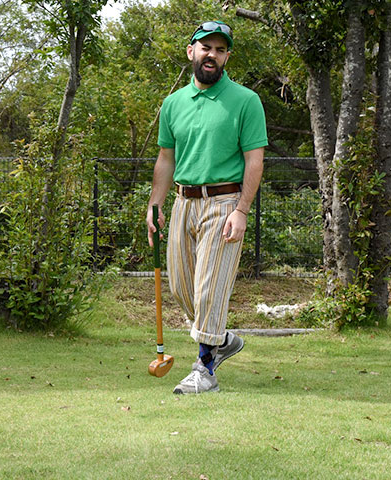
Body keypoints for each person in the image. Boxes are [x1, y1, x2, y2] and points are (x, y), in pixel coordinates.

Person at [146, 20, 267, 394]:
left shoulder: (245, 101)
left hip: (225, 202)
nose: (211, 54)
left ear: (227, 56)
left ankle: (205, 369)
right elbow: (166, 159)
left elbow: (255, 159)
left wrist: (242, 210)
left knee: (209, 289)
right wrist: (156, 204)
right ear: (191, 52)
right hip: (184, 203)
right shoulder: (174, 103)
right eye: (205, 47)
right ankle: (223, 339)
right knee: (183, 287)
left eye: (219, 49)